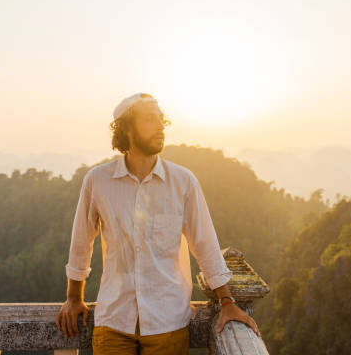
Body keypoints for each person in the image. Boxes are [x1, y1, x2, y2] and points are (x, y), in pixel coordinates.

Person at [55, 93, 259, 354]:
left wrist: (227, 301)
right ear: (127, 128)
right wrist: (74, 298)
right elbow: (81, 242)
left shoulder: (183, 182)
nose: (161, 126)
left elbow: (205, 244)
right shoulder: (98, 181)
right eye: (150, 119)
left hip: (168, 321)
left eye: (162, 120)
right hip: (114, 320)